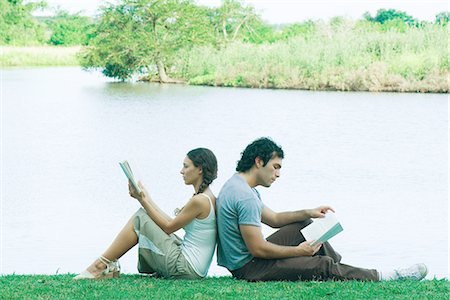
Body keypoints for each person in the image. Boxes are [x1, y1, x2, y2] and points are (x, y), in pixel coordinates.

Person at [216, 137, 428, 282]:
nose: (278, 174)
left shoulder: (238, 185)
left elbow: (274, 218)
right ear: (259, 161)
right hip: (249, 268)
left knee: (304, 225)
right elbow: (258, 249)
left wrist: (308, 212)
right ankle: (384, 275)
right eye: (276, 167)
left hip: (250, 260)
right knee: (320, 265)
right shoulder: (245, 196)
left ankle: (340, 270)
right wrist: (298, 252)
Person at [74, 148, 218, 280]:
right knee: (144, 215)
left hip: (186, 269)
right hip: (192, 268)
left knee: (139, 217)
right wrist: (147, 198)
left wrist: (142, 200)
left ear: (199, 169)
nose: (182, 171)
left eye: (186, 166)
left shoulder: (200, 201)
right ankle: (106, 265)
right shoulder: (205, 196)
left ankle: (100, 266)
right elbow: (172, 222)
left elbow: (168, 227)